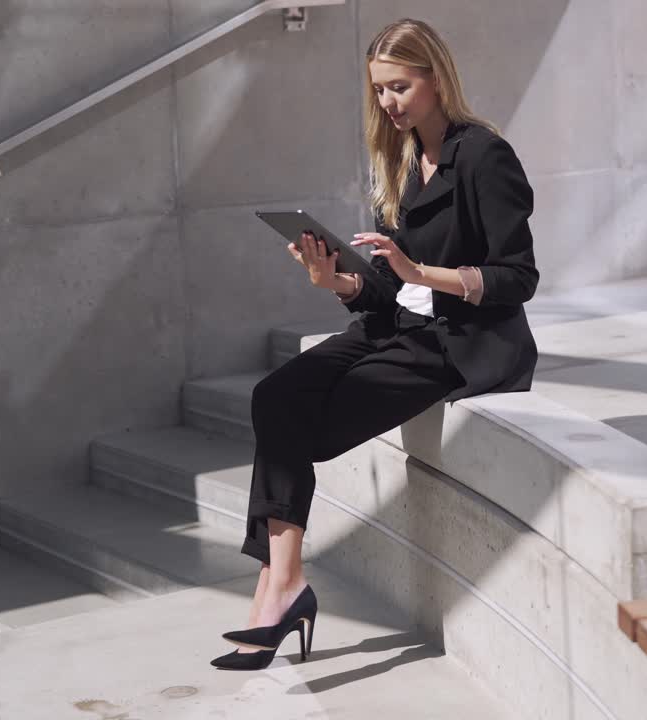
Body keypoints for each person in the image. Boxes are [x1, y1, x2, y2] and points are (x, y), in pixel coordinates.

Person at [211, 17, 539, 670]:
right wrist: (337, 282)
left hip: (456, 343)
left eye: (399, 87)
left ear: (436, 77)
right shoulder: (396, 158)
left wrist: (424, 275)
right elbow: (386, 292)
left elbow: (519, 277)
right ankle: (284, 581)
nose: (388, 103)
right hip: (394, 329)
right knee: (277, 397)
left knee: (306, 430)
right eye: (379, 91)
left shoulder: (483, 156)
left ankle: (276, 593)